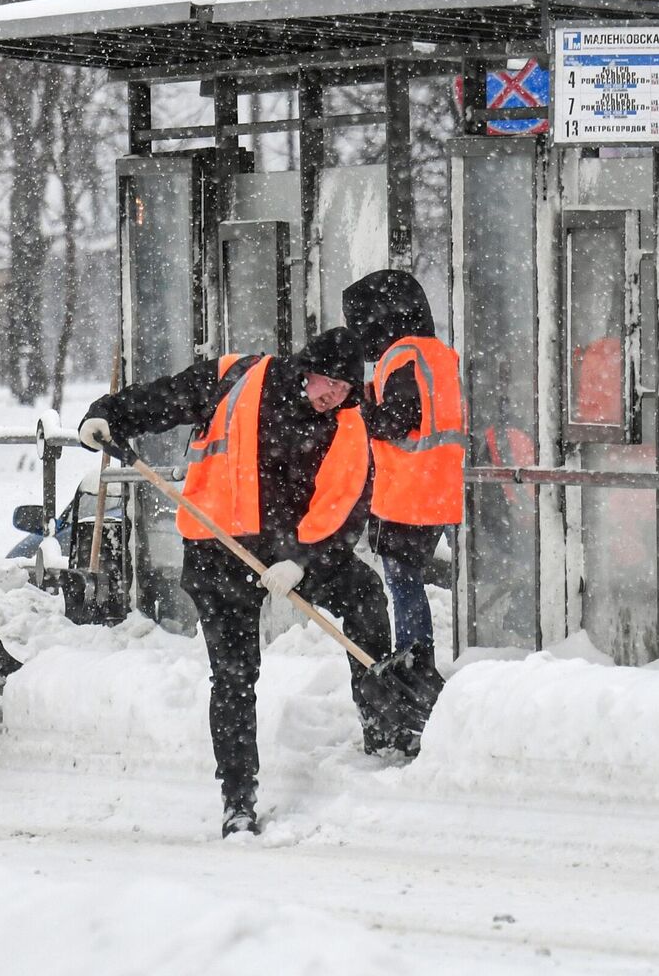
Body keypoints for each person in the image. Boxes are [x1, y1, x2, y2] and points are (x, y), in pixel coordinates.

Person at [79, 328, 385, 837]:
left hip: (294, 549)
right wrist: (107, 414)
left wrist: (304, 561)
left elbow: (346, 502)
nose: (334, 395)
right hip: (218, 549)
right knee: (236, 676)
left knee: (365, 595)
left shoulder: (347, 421)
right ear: (306, 367)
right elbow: (166, 398)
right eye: (328, 383)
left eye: (345, 389)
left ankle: (383, 724)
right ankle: (237, 798)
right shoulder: (238, 377)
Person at [341, 270, 462, 755]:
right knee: (409, 586)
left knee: (404, 588)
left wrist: (357, 414)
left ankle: (416, 676)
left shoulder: (402, 356)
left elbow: (399, 419)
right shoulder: (438, 353)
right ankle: (418, 671)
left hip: (408, 493)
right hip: (441, 488)